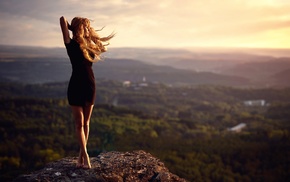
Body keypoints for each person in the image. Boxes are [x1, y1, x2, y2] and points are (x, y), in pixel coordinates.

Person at [60, 16, 114, 169]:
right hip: (75, 86)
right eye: (84, 26)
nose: (86, 29)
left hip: (90, 86)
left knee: (86, 123)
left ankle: (80, 158)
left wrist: (87, 30)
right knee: (78, 123)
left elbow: (101, 47)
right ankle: (86, 155)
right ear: (78, 28)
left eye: (87, 27)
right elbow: (62, 19)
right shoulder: (69, 43)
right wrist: (72, 27)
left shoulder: (89, 45)